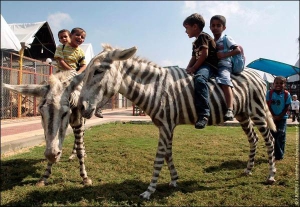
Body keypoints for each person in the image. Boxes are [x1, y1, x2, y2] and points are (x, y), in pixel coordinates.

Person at [183, 13, 219, 129]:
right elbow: (194, 58)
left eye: (186, 28)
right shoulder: (195, 42)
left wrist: (193, 69)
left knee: (199, 79)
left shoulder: (203, 36)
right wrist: (187, 69)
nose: (185, 31)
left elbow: (204, 54)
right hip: (201, 65)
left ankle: (204, 114)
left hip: (209, 66)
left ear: (195, 27)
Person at [210, 15, 242, 121]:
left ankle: (230, 108)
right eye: (213, 25)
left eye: (218, 25)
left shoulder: (226, 38)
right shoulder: (211, 41)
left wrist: (224, 55)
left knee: (224, 81)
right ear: (210, 27)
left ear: (224, 27)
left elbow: (237, 50)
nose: (215, 27)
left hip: (224, 65)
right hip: (213, 66)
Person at [266, 76, 292, 160]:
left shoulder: (286, 94)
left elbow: (287, 106)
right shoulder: (269, 93)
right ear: (273, 84)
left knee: (280, 135)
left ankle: (280, 155)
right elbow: (267, 105)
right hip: (272, 118)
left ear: (284, 84)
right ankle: (274, 154)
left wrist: (280, 116)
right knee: (273, 136)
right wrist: (273, 115)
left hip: (282, 118)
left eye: (281, 83)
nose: (278, 85)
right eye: (276, 83)